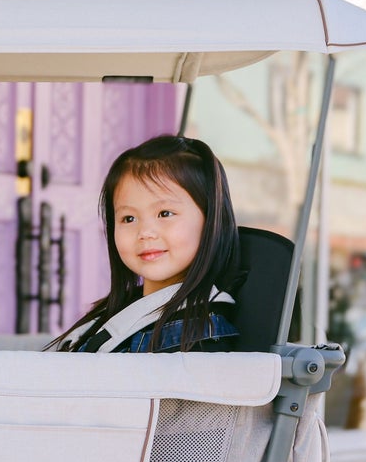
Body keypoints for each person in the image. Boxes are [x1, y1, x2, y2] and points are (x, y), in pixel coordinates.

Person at [52, 135, 239, 354]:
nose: (145, 233)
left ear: (211, 220)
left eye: (165, 213)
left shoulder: (199, 333)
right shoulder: (126, 310)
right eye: (128, 218)